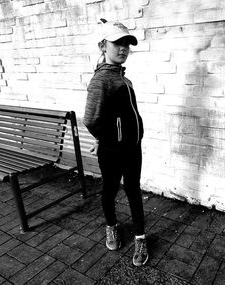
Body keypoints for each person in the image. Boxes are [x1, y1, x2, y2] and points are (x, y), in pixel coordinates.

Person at [83, 19, 148, 267]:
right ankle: (111, 227)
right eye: (117, 43)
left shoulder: (123, 78)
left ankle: (140, 237)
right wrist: (106, 138)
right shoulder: (102, 80)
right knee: (109, 191)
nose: (123, 48)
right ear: (103, 45)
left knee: (133, 191)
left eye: (127, 44)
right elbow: (90, 119)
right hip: (112, 151)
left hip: (132, 148)